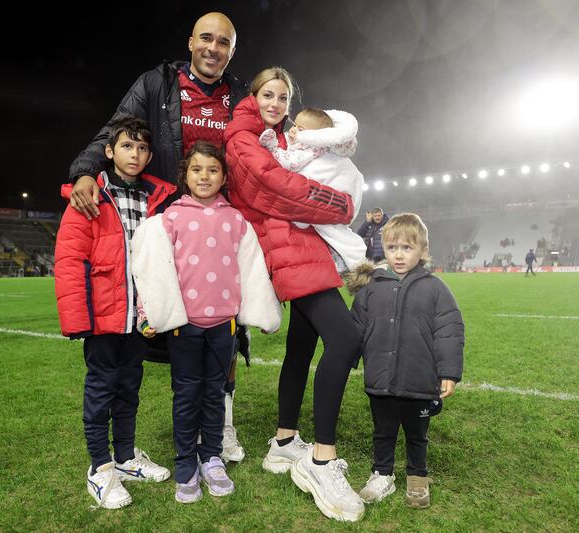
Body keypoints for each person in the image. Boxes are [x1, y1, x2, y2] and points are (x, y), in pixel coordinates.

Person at [66, 12, 249, 462]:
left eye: (223, 42)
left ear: (231, 51)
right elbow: (116, 129)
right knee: (165, 332)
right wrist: (85, 171)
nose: (213, 48)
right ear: (190, 42)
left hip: (219, 228)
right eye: (206, 38)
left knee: (225, 325)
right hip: (168, 226)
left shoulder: (238, 97)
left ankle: (221, 427)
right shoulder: (156, 84)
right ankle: (158, 436)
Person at [225, 66, 364, 522]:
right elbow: (277, 189)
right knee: (345, 338)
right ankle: (321, 462)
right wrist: (339, 204)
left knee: (303, 346)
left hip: (299, 244)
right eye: (269, 94)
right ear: (253, 95)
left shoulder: (281, 139)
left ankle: (284, 443)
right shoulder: (242, 137)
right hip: (286, 247)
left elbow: (310, 166)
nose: (276, 104)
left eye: (283, 98)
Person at [130, 141, 281, 504]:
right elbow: (152, 270)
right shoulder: (169, 219)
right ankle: (186, 463)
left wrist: (260, 310)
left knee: (215, 395)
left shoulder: (236, 221)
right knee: (186, 395)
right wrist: (148, 312)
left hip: (223, 327)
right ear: (185, 175)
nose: (204, 176)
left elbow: (252, 270)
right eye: (197, 169)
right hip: (184, 327)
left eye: (213, 170)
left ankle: (211, 457)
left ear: (224, 177)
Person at [54, 118, 174, 510]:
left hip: (139, 318)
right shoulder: (89, 195)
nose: (134, 155)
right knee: (100, 390)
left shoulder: (156, 198)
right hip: (103, 315)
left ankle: (124, 458)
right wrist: (77, 320)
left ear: (149, 155)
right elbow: (70, 259)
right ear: (109, 151)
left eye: (141, 149)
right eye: (126, 147)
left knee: (129, 390)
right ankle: (99, 467)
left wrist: (158, 307)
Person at [347, 213, 464, 509]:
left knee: (417, 435)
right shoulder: (372, 286)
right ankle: (381, 474)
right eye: (392, 247)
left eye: (407, 248)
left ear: (423, 251)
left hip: (419, 380)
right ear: (382, 249)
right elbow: (356, 328)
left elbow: (449, 330)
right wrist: (346, 361)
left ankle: (417, 477)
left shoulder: (436, 289)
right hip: (380, 379)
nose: (398, 255)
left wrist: (448, 372)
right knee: (383, 432)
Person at [259, 107, 366, 271]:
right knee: (333, 230)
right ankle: (347, 257)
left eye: (300, 129)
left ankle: (346, 259)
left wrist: (272, 148)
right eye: (295, 125)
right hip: (337, 196)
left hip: (333, 193)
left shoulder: (311, 149)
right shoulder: (321, 148)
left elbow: (290, 163)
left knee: (331, 230)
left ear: (316, 137)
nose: (293, 131)